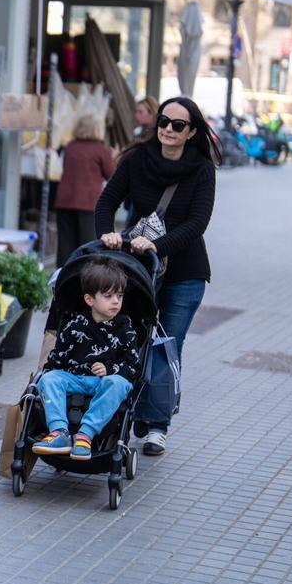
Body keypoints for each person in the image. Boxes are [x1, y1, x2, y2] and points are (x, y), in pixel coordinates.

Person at [94, 96, 218, 457]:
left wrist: (158, 245)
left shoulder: (201, 169)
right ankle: (129, 412)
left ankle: (157, 426)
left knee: (166, 347)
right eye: (163, 121)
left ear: (191, 131)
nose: (167, 129)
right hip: (138, 271)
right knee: (130, 341)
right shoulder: (137, 159)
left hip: (184, 273)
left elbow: (198, 223)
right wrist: (108, 235)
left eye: (177, 125)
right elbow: (107, 203)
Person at [33, 259, 138, 461]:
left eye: (120, 295)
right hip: (76, 378)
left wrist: (110, 369)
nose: (116, 301)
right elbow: (58, 358)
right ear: (90, 300)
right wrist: (48, 374)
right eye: (108, 296)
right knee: (50, 378)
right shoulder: (75, 325)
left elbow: (133, 367)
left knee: (118, 383)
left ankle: (85, 435)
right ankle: (59, 432)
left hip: (104, 382)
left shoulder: (125, 330)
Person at [54, 114, 115, 267]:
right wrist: (115, 157)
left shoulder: (70, 147)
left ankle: (61, 280)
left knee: (65, 246)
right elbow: (112, 175)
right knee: (88, 246)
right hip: (88, 203)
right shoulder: (101, 150)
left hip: (65, 201)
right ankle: (85, 279)